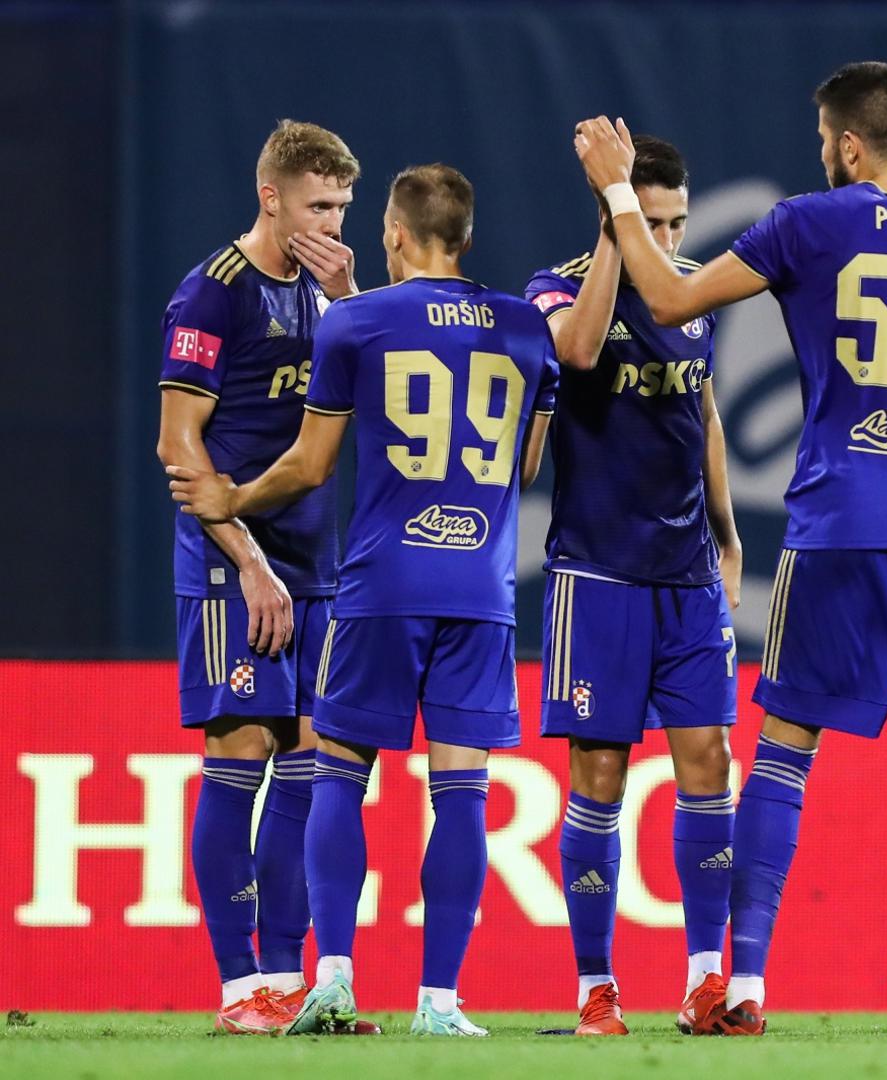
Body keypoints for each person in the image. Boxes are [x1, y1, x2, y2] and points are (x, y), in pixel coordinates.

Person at [573, 61, 887, 1034]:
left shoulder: (805, 222)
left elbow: (668, 299)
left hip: (839, 524)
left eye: (822, 141)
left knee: (785, 756)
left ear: (847, 144)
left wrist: (617, 193)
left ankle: (747, 985)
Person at [169, 163, 559, 1038]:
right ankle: (440, 1003)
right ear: (468, 237)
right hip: (481, 586)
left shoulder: (354, 321)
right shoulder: (525, 326)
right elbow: (527, 466)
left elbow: (310, 466)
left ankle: (334, 978)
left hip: (382, 585)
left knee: (337, 771)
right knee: (462, 789)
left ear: (392, 234)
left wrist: (232, 499)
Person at [524, 134, 743, 1037]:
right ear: (615, 212)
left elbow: (705, 414)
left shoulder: (695, 294)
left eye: (677, 221)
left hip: (685, 574)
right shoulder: (555, 288)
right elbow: (576, 353)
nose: (669, 237)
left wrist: (728, 539)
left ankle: (705, 980)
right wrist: (618, 232)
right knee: (601, 774)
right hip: (596, 574)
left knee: (709, 761)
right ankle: (596, 988)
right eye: (652, 220)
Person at [155, 118, 360, 1034]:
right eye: (317, 205)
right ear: (269, 197)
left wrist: (349, 294)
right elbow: (177, 445)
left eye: (342, 206)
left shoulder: (329, 292)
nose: (331, 223)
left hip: (316, 567)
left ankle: (285, 980)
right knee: (240, 753)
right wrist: (248, 562)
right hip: (231, 570)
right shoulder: (212, 294)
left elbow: (384, 387)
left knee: (312, 767)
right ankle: (239, 987)